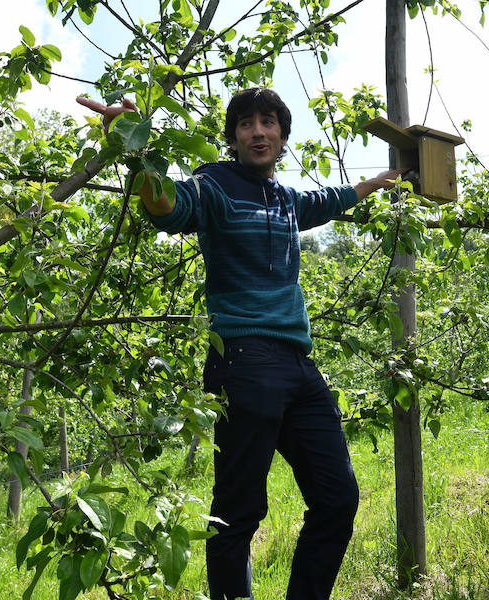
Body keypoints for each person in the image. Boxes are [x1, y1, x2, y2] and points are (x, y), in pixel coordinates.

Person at [80, 87, 403, 600]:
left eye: (269, 122)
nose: (259, 132)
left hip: (299, 364)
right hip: (243, 358)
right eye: (247, 123)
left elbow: (321, 203)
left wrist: (376, 183)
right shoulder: (216, 183)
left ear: (282, 134)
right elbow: (169, 206)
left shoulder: (282, 197)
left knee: (338, 497)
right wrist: (133, 145)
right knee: (237, 512)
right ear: (233, 136)